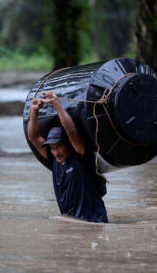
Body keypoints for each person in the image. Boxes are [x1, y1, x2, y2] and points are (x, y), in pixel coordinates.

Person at [28, 90, 108, 223]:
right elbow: (34, 137)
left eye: (59, 146)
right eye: (52, 148)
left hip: (94, 222)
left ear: (69, 145)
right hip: (72, 222)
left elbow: (71, 131)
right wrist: (34, 112)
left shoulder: (81, 157)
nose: (55, 152)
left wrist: (56, 104)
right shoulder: (54, 161)